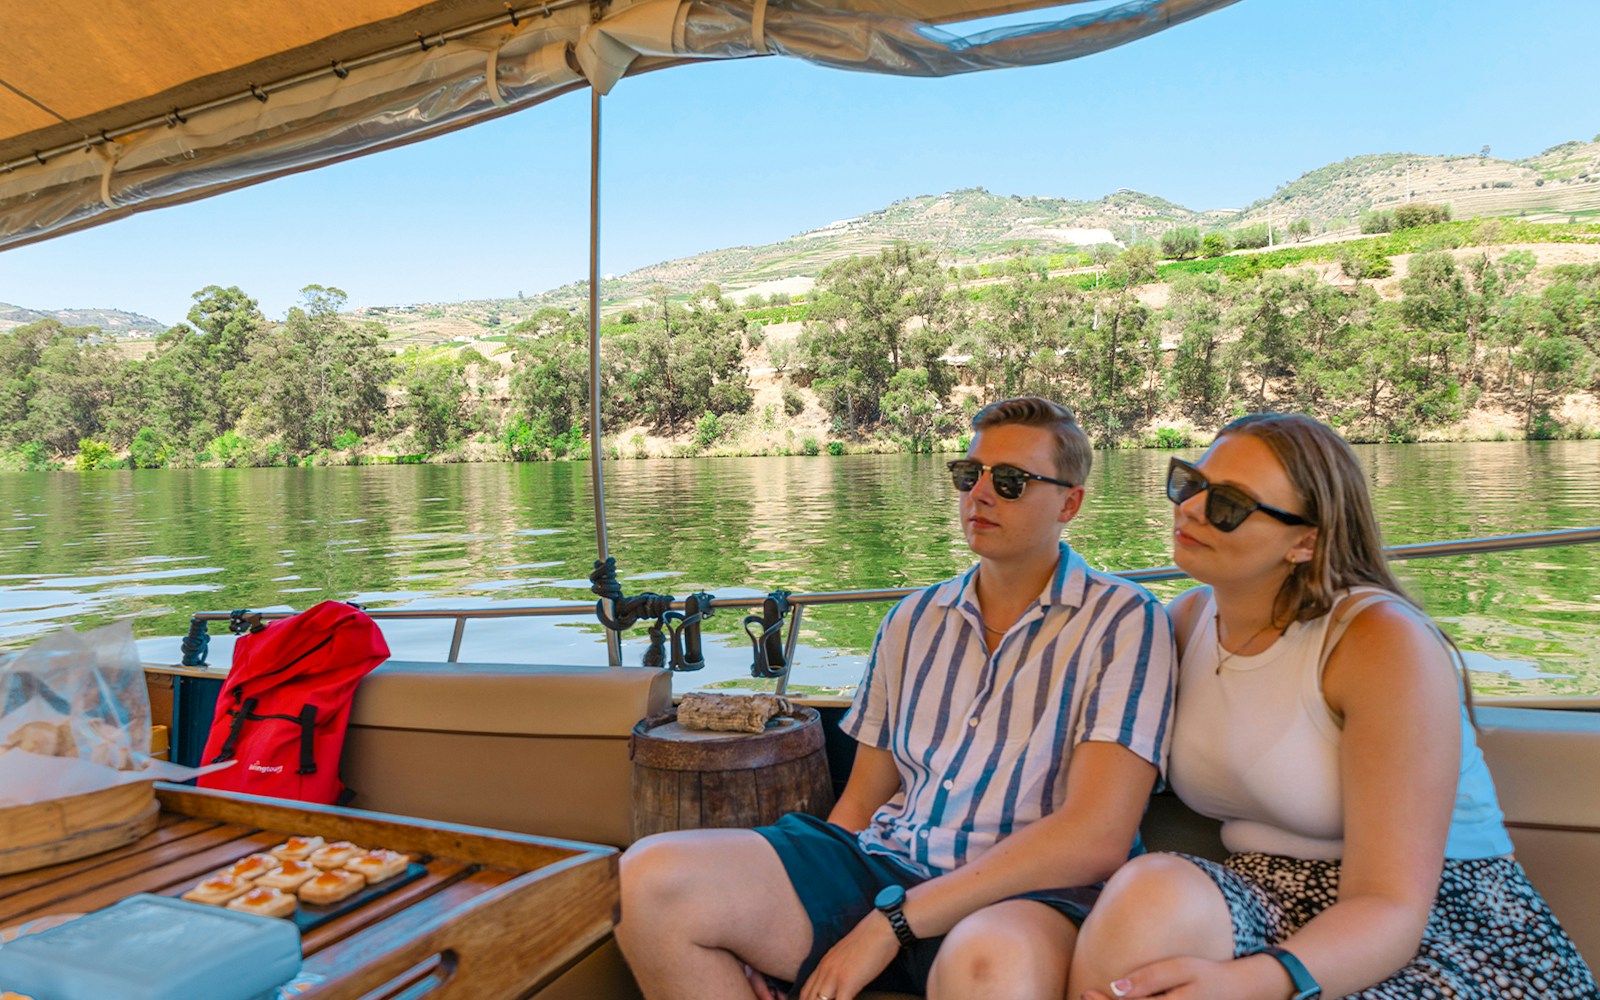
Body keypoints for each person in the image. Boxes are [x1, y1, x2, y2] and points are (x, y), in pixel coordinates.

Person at [617, 397, 1176, 1000]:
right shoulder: (911, 621)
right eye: (970, 475)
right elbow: (861, 802)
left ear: (1070, 502)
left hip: (1030, 894)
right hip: (886, 866)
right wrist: (796, 931)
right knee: (646, 882)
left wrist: (891, 925)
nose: (979, 495)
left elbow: (1095, 838)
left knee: (990, 964)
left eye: (1011, 482)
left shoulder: (1124, 620)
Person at [1069, 412, 1597, 1000]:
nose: (1191, 509)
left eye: (1228, 505)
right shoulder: (1186, 620)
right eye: (1189, 483)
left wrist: (1252, 982)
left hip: (1438, 920)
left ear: (1305, 541)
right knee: (1144, 899)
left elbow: (1391, 905)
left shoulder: (1377, 641)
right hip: (1267, 887)